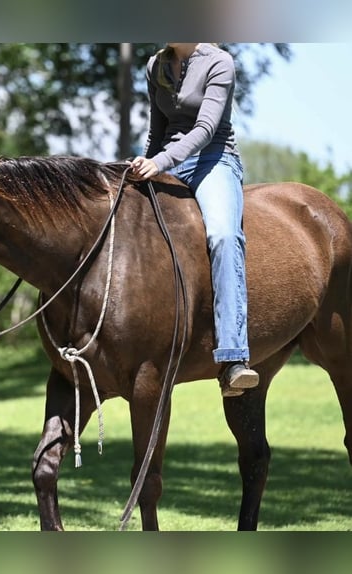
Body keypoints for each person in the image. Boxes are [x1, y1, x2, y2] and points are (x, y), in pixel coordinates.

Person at [130, 43, 259, 398]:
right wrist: (145, 163)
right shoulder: (156, 64)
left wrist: (160, 162)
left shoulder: (219, 62)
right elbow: (158, 132)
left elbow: (204, 129)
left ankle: (234, 357)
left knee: (222, 236)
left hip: (211, 160)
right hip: (167, 161)